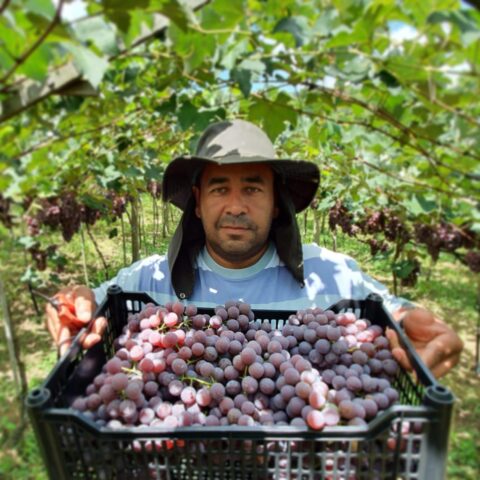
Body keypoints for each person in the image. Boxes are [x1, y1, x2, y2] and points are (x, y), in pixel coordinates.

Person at [46, 119, 463, 377]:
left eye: (252, 188)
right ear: (197, 199)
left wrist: (415, 324)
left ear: (276, 200)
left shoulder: (334, 277)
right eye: (219, 188)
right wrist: (70, 307)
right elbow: (88, 308)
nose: (235, 206)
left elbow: (394, 311)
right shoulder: (148, 280)